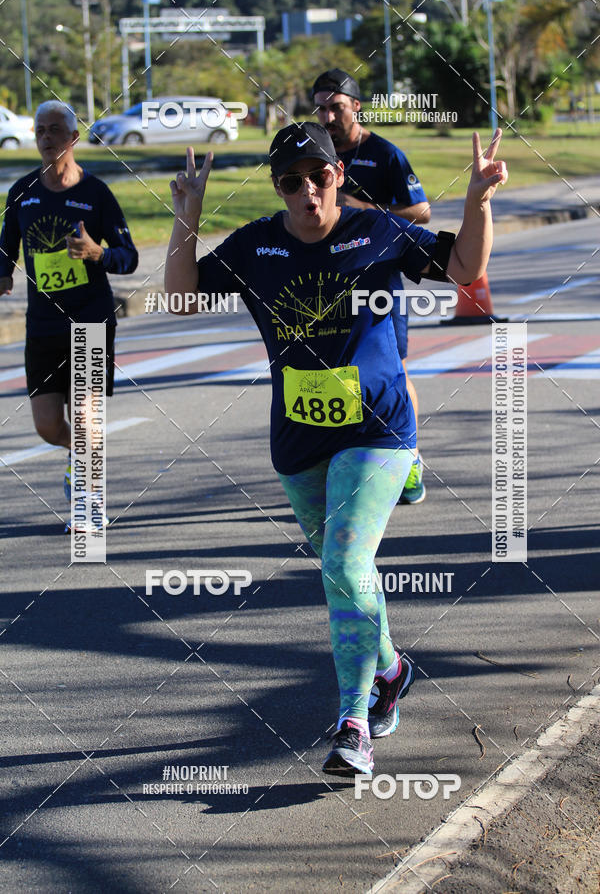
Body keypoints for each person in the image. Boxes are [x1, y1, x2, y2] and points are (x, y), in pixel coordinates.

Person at [164, 122, 507, 775]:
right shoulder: (257, 244)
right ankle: (394, 670)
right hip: (298, 441)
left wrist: (478, 202)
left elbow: (465, 268)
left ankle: (354, 722)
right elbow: (180, 298)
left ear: (337, 177)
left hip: (378, 432)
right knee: (346, 575)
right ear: (280, 188)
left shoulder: (375, 232)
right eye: (291, 182)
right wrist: (188, 218)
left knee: (346, 565)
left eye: (318, 177)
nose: (307, 192)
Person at [0, 100, 138, 530]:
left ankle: (89, 503)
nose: (44, 138)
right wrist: (2, 274)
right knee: (46, 426)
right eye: (39, 130)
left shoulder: (96, 194)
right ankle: (81, 455)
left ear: (73, 137)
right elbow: (6, 246)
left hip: (91, 318)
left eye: (54, 130)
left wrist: (97, 252)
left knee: (85, 415)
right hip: (42, 324)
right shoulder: (21, 191)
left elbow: (128, 257)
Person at [313, 68, 431, 505]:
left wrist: (361, 207)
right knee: (335, 379)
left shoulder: (384, 153)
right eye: (320, 107)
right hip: (327, 289)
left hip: (377, 284)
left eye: (336, 107)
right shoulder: (315, 151)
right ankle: (344, 470)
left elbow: (421, 212)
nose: (327, 116)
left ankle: (410, 459)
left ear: (356, 106)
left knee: (394, 372)